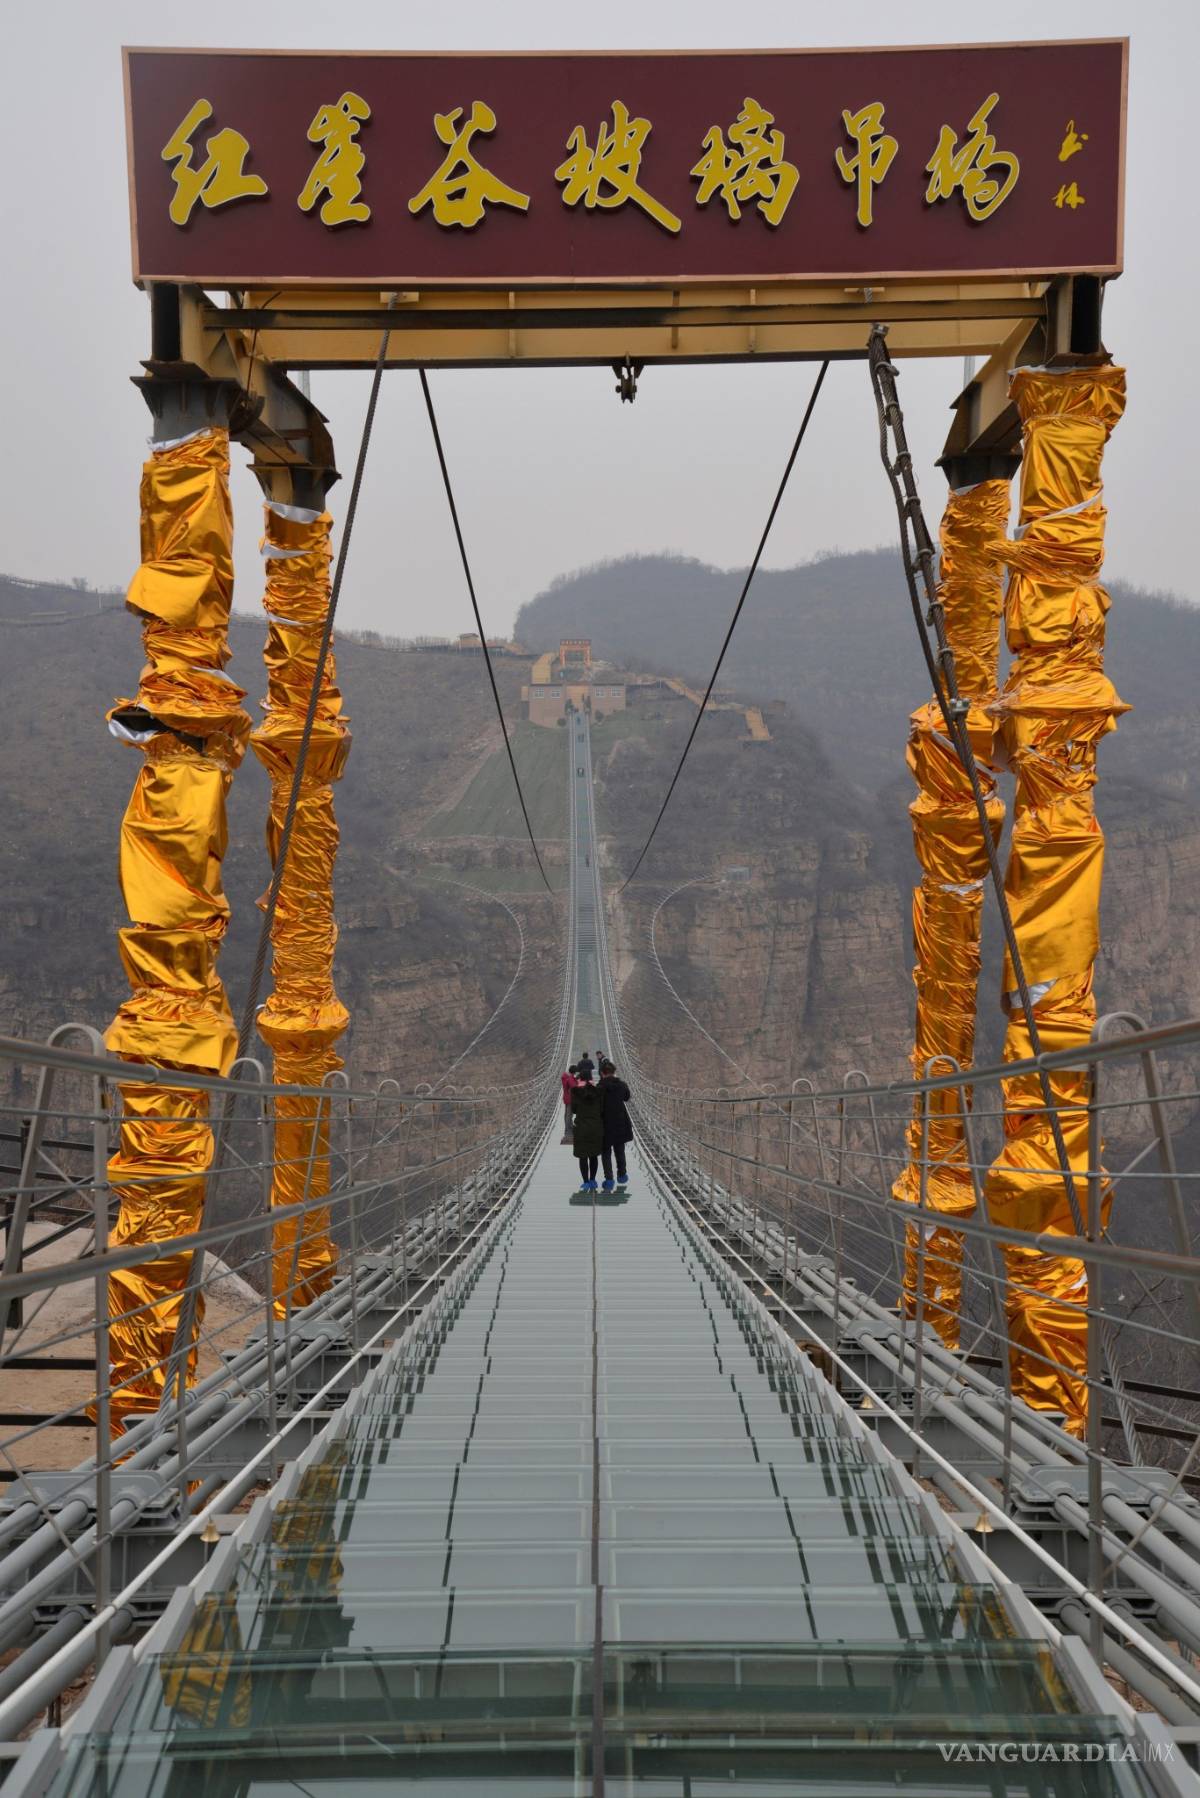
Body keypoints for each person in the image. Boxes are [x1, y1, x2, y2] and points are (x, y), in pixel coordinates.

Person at [597, 1058, 633, 1189]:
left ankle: (609, 1179)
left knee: (606, 1152)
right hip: (620, 1121)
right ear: (614, 1072)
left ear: (602, 1073)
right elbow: (627, 1097)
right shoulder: (621, 1085)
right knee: (620, 1150)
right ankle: (622, 1175)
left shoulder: (599, 1087)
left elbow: (597, 1106)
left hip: (605, 1123)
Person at [570, 1073, 604, 1190]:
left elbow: (574, 1110)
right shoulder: (598, 1093)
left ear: (580, 1079)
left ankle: (585, 1182)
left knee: (582, 1156)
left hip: (581, 1128)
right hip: (595, 1127)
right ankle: (593, 1179)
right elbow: (601, 1109)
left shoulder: (576, 1093)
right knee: (593, 1155)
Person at [560, 1064, 578, 1143]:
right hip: (570, 1098)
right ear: (574, 1072)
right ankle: (569, 1131)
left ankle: (568, 1130)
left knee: (567, 1114)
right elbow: (574, 1087)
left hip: (566, 1097)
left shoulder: (566, 1077)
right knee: (569, 1115)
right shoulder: (570, 1078)